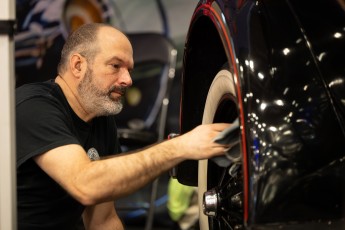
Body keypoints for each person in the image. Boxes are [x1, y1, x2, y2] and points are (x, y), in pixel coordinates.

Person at [16, 22, 231, 229]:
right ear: (78, 65)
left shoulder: (100, 121)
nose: (128, 79)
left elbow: (102, 220)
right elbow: (85, 184)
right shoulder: (33, 105)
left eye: (129, 69)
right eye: (115, 66)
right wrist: (180, 147)